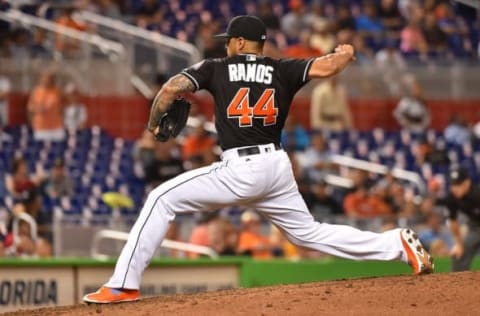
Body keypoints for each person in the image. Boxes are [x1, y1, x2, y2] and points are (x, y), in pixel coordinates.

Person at [84, 15, 433, 304]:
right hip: (277, 168)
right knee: (309, 233)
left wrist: (153, 125)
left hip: (240, 168)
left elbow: (171, 88)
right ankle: (395, 244)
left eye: (229, 39)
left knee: (161, 198)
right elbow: (329, 67)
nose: (225, 44)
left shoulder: (217, 67)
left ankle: (123, 284)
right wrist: (346, 51)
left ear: (238, 43)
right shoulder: (282, 69)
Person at [444, 166, 480, 271]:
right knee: (458, 255)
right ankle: (458, 285)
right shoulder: (451, 198)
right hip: (475, 227)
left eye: (458, 184)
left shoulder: (477, 195)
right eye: (453, 184)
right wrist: (459, 244)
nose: (455, 188)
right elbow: (453, 221)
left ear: (467, 183)